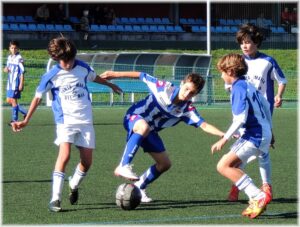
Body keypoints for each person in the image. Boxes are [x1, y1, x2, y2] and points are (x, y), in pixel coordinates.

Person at [11, 37, 122, 212]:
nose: (68, 64)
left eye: (70, 60)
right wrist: (26, 120)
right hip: (65, 121)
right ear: (56, 59)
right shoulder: (51, 76)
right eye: (64, 61)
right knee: (65, 156)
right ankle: (55, 198)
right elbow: (37, 98)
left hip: (85, 121)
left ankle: (73, 184)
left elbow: (95, 77)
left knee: (87, 162)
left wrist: (110, 85)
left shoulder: (83, 68)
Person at [100, 70, 225, 202]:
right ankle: (123, 165)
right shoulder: (164, 87)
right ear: (182, 83)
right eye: (186, 88)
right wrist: (115, 74)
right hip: (134, 116)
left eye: (192, 93)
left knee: (164, 164)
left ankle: (139, 186)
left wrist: (224, 134)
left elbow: (204, 125)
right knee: (143, 127)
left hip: (150, 131)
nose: (187, 94)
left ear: (196, 94)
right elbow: (141, 75)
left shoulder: (187, 110)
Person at [226, 23, 287, 202]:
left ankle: (265, 187)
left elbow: (282, 80)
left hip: (263, 114)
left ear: (257, 42)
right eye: (242, 42)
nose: (244, 45)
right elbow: (230, 86)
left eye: (248, 42)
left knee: (263, 152)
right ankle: (238, 182)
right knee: (241, 150)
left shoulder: (268, 61)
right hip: (242, 114)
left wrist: (278, 95)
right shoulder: (237, 62)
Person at [211, 53, 272, 219]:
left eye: (222, 72)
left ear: (230, 71)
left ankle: (258, 196)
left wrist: (224, 138)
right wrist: (271, 131)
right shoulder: (248, 84)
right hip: (261, 132)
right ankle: (256, 197)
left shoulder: (238, 88)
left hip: (254, 135)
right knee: (234, 165)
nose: (221, 75)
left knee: (223, 166)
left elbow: (239, 119)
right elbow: (266, 105)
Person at [4, 40, 28, 124]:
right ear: (9, 48)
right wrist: (5, 69)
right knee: (8, 100)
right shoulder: (9, 57)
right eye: (12, 48)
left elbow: (22, 72)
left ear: (18, 49)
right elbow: (6, 68)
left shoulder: (19, 58)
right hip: (9, 83)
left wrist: (21, 83)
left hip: (16, 83)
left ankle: (14, 120)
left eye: (15, 48)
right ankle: (26, 112)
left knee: (13, 101)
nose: (13, 49)